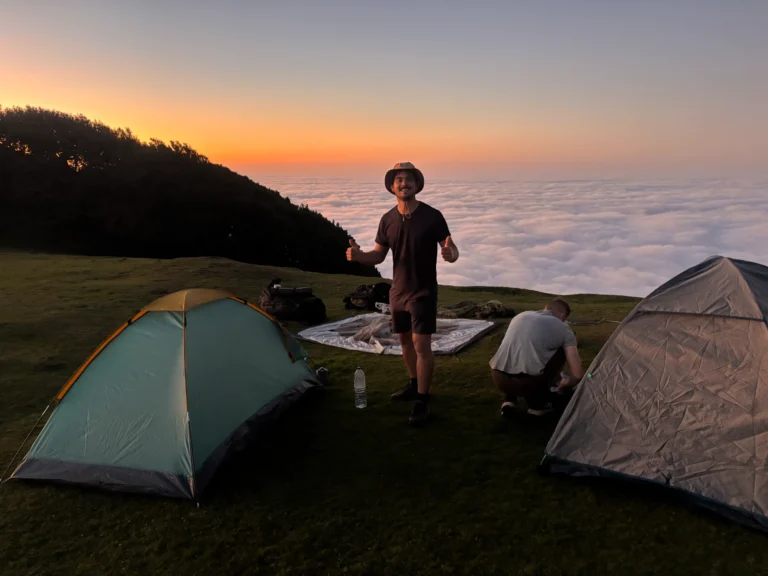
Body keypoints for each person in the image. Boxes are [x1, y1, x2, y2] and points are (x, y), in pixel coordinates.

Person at [346, 162, 459, 426]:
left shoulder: (432, 216)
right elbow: (378, 254)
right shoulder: (387, 219)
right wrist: (359, 256)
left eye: (408, 179)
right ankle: (413, 384)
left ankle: (422, 399)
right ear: (391, 186)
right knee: (404, 343)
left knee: (422, 347)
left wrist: (450, 253)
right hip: (397, 292)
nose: (403, 183)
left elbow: (450, 249)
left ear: (417, 184)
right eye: (398, 179)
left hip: (422, 291)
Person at [488, 298, 584, 417]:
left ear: (545, 308)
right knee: (561, 351)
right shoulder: (563, 328)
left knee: (516, 350)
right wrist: (567, 385)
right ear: (562, 315)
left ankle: (509, 401)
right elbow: (578, 374)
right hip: (527, 383)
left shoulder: (520, 316)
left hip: (498, 377)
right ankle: (538, 405)